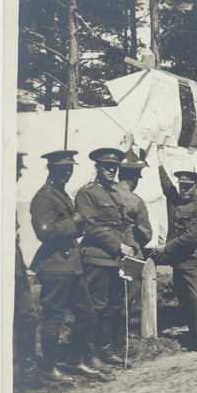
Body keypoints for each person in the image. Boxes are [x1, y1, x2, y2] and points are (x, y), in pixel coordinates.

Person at [30, 150, 104, 381]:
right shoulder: (44, 197)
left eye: (70, 169)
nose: (67, 174)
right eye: (62, 170)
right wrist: (73, 222)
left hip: (72, 265)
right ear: (51, 170)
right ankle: (48, 367)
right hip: (55, 266)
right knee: (54, 316)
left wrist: (78, 225)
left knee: (86, 312)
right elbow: (45, 232)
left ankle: (75, 360)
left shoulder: (62, 195)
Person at [75, 147, 135, 369]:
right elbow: (90, 227)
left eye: (114, 167)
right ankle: (89, 354)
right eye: (106, 167)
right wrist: (118, 245)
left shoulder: (115, 193)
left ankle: (106, 349)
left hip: (116, 258)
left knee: (112, 305)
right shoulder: (87, 192)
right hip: (97, 257)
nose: (111, 170)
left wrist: (130, 244)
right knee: (96, 306)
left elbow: (125, 223)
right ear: (97, 168)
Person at [151, 147, 197, 352]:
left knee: (196, 299)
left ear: (196, 186)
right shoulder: (177, 199)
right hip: (178, 261)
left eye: (188, 186)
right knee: (184, 299)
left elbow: (190, 237)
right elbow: (166, 185)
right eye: (182, 185)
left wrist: (165, 247)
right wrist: (156, 161)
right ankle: (193, 337)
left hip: (193, 261)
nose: (184, 189)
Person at [116, 148, 153, 357]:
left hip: (109, 253)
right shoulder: (135, 200)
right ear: (135, 178)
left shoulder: (108, 193)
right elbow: (146, 233)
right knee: (127, 299)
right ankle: (122, 343)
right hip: (131, 256)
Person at [14, 152, 41, 385]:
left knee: (27, 317)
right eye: (17, 167)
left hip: (15, 266)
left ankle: (28, 373)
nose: (20, 173)